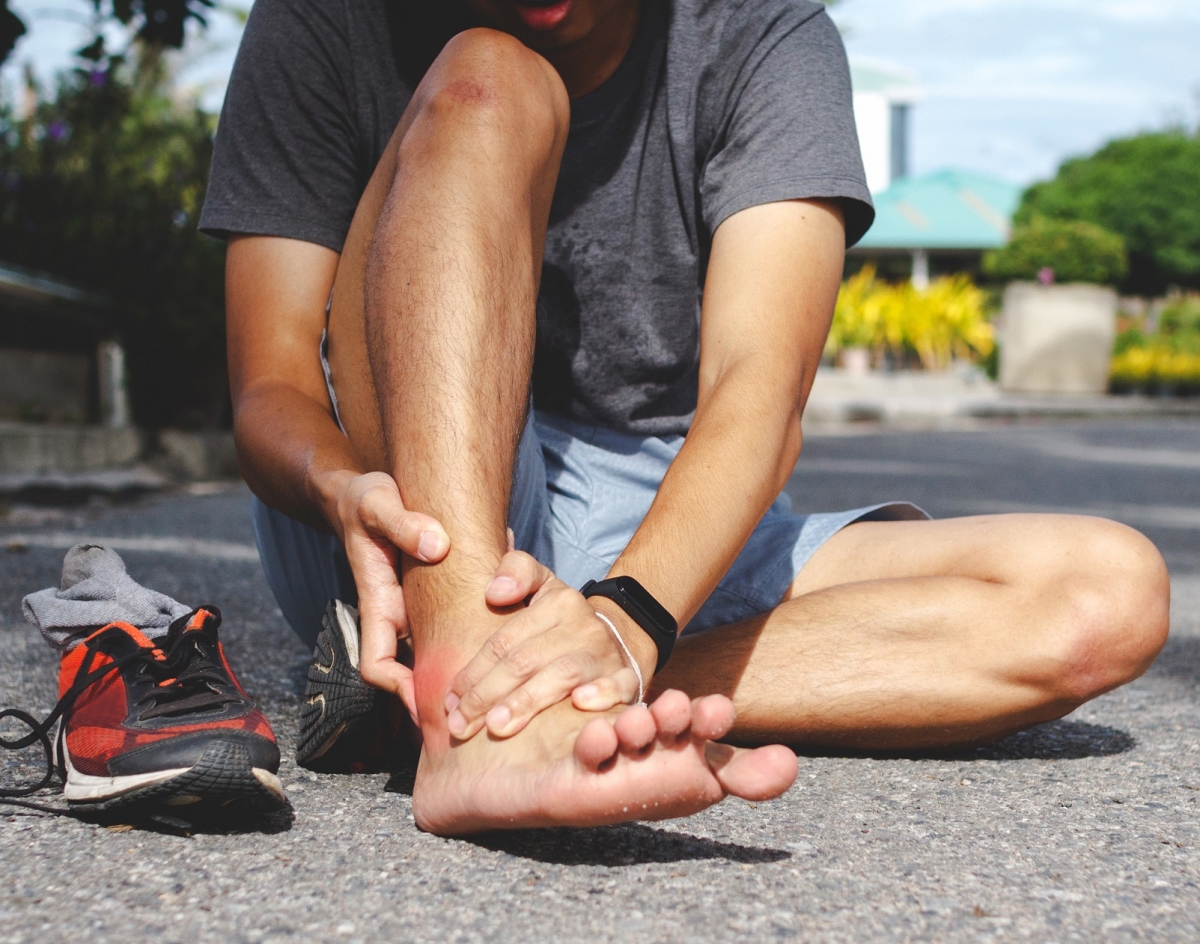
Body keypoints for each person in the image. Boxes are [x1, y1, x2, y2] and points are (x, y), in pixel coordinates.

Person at [200, 0, 1170, 836]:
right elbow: (269, 387)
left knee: (1106, 593)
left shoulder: (765, 37)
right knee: (490, 75)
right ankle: (464, 713)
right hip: (407, 495)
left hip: (664, 518)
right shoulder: (328, 19)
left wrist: (627, 627)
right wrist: (339, 485)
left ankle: (536, 693)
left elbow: (761, 386)